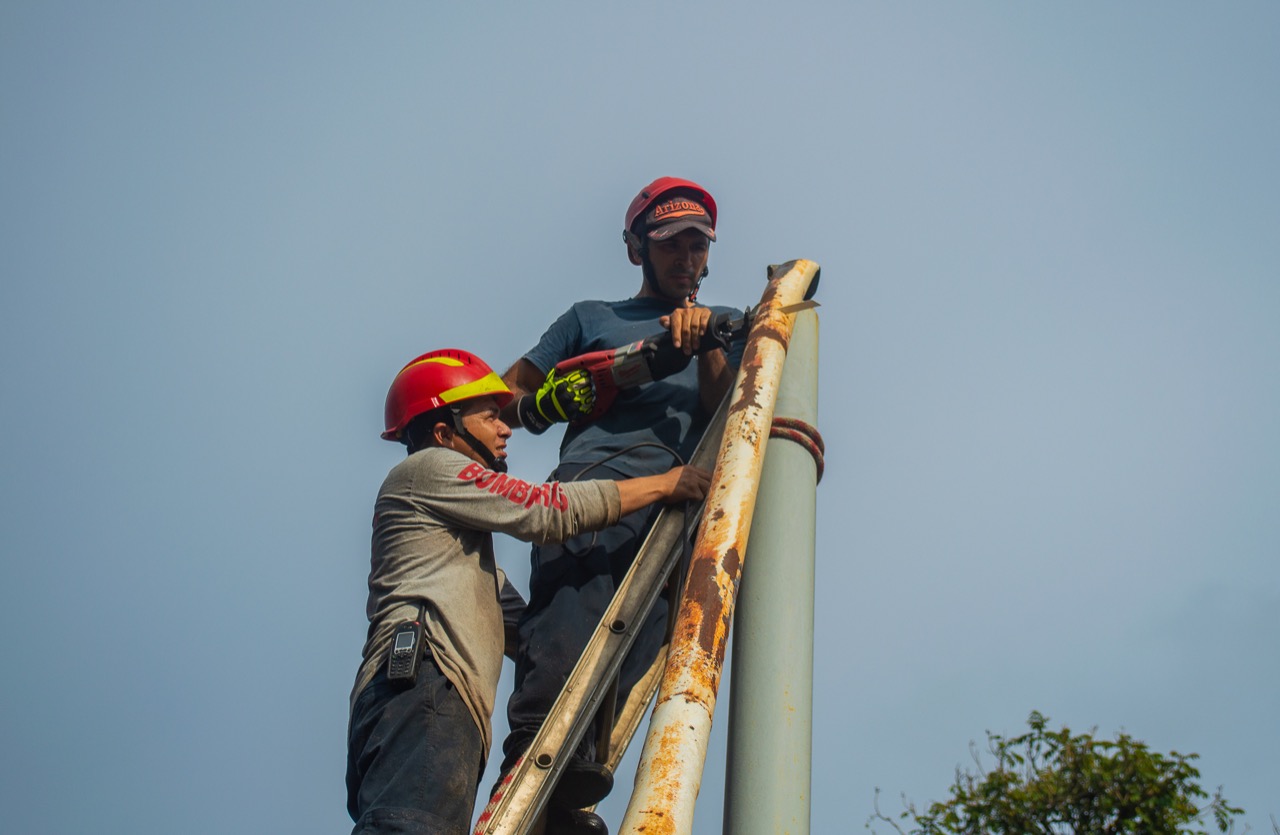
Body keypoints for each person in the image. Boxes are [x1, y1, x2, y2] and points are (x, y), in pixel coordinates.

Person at [346, 348, 709, 835]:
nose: (505, 429)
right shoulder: (429, 468)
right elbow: (546, 510)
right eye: (491, 417)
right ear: (442, 431)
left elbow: (517, 626)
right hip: (422, 683)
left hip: (434, 699)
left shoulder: (456, 550)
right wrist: (664, 485)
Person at [494, 177, 744, 828]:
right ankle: (525, 789)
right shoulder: (590, 319)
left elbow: (733, 423)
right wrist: (542, 404)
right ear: (636, 249)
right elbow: (503, 399)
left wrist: (707, 342)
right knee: (559, 652)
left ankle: (567, 805)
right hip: (588, 502)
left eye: (697, 245)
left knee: (630, 668)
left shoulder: (729, 332)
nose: (686, 258)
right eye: (669, 244)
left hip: (675, 517)